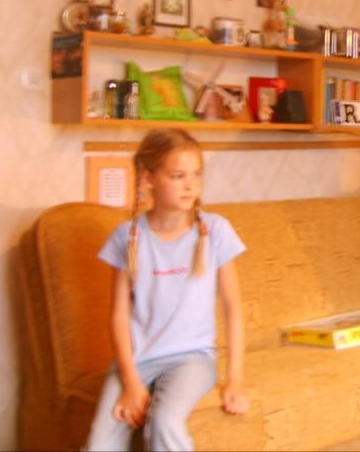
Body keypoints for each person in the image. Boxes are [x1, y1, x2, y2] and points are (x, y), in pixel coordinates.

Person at [85, 128, 249, 451]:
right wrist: (130, 382)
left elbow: (233, 309)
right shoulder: (126, 237)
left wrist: (235, 379)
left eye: (196, 175)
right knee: (99, 444)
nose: (190, 185)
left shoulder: (215, 231)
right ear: (148, 179)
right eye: (178, 176)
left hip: (192, 360)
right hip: (138, 360)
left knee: (164, 422)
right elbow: (118, 316)